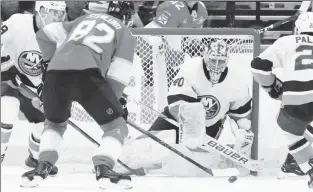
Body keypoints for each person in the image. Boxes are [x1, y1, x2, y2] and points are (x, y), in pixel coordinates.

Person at [20, 1, 136, 190]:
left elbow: (44, 34)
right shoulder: (125, 32)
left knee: (54, 123)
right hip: (87, 76)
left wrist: (49, 65)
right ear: (127, 17)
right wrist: (115, 101)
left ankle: (41, 167)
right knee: (116, 125)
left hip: (55, 75)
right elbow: (118, 74)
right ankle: (104, 168)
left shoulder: (83, 19)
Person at [120, 39, 254, 176]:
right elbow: (174, 103)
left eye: (221, 61)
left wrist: (240, 134)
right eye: (213, 60)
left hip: (210, 127)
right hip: (174, 119)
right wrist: (193, 123)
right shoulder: (191, 67)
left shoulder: (238, 81)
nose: (217, 65)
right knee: (145, 148)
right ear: (205, 57)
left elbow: (240, 117)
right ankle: (117, 159)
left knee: (183, 165)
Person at [1, 1, 66, 176]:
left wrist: (46, 92)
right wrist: (5, 65)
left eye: (62, 13)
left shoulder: (60, 36)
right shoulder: (17, 22)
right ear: (42, 11)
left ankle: (34, 159)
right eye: (56, 13)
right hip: (8, 78)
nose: (60, 18)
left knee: (45, 121)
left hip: (34, 86)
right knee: (7, 108)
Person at [251, 12, 313, 188]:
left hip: (296, 102)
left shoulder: (286, 41)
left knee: (290, 130)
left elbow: (258, 67)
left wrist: (272, 87)